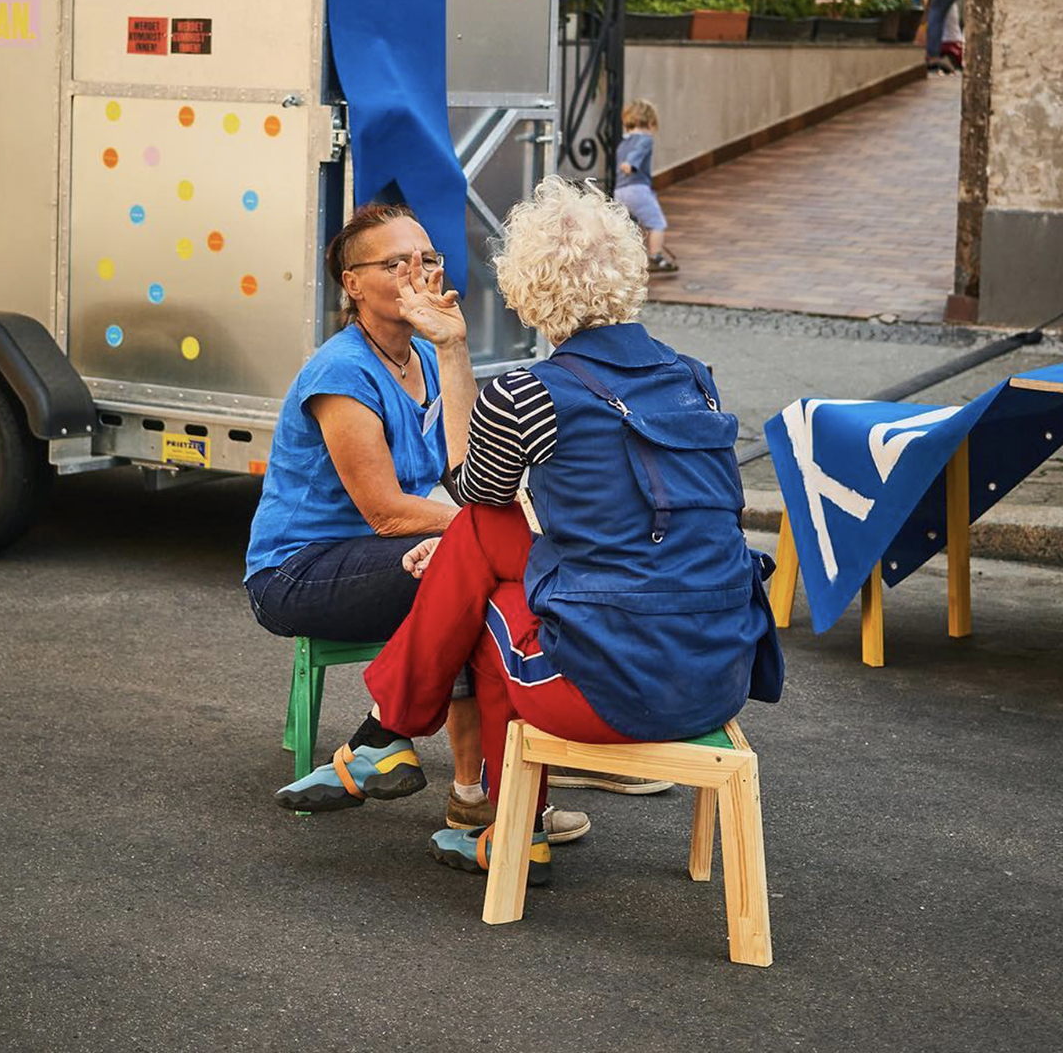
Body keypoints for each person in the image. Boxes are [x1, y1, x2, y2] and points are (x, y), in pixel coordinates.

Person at [274, 177, 784, 885]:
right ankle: (490, 819)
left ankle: (400, 741)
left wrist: (453, 355)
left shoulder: (527, 392)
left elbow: (471, 494)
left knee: (485, 566)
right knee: (489, 554)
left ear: (528, 286)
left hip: (611, 688)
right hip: (719, 671)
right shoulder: (693, 378)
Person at [243, 202, 589, 844]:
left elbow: (468, 470)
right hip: (300, 570)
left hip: (396, 551)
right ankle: (485, 798)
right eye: (395, 262)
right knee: (471, 572)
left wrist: (452, 345)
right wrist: (484, 529)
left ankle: (426, 764)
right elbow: (384, 510)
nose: (418, 273)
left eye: (427, 259)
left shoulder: (426, 358)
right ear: (353, 284)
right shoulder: (342, 371)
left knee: (474, 579)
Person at [615, 99, 676, 274]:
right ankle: (656, 257)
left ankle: (623, 259)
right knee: (657, 223)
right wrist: (630, 164)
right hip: (637, 189)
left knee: (628, 227)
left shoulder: (623, 142)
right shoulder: (645, 139)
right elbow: (638, 152)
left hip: (620, 191)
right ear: (651, 122)